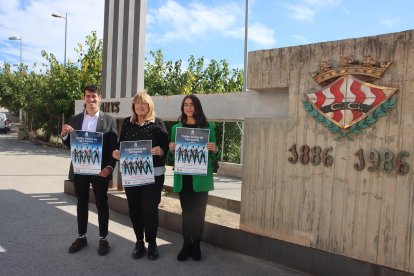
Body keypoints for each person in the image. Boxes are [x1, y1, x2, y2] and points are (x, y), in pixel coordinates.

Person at [61, 84, 118, 256]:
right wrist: (64, 134)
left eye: (94, 96)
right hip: (80, 169)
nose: (91, 99)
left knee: (102, 204)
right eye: (88, 96)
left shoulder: (109, 120)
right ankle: (81, 237)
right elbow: (70, 144)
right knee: (81, 203)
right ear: (84, 98)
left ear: (99, 98)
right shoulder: (75, 119)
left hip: (100, 171)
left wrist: (109, 167)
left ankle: (103, 238)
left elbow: (113, 148)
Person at [112, 91, 168, 260]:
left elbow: (165, 148)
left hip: (153, 175)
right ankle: (139, 242)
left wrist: (161, 151)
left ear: (149, 105)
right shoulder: (128, 124)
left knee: (149, 210)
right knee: (134, 209)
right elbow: (121, 145)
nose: (140, 106)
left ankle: (152, 243)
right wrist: (117, 152)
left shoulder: (158, 124)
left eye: (144, 103)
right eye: (137, 103)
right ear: (134, 106)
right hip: (132, 174)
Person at [168, 94, 219, 261]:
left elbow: (214, 160)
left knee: (199, 213)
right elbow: (171, 160)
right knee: (187, 212)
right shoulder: (176, 129)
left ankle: (196, 244)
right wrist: (172, 150)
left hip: (201, 178)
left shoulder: (208, 128)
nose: (188, 107)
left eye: (191, 104)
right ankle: (186, 244)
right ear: (183, 108)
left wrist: (215, 150)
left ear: (197, 107)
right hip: (184, 178)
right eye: (186, 104)